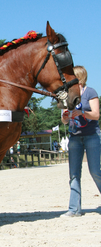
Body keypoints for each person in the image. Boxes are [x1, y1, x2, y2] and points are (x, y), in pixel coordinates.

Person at [60, 65, 101, 217]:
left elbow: (96, 115)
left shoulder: (90, 92)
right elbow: (64, 121)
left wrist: (83, 113)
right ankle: (74, 209)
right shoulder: (68, 95)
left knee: (95, 171)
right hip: (74, 137)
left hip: (92, 136)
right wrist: (65, 117)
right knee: (74, 174)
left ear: (79, 77)